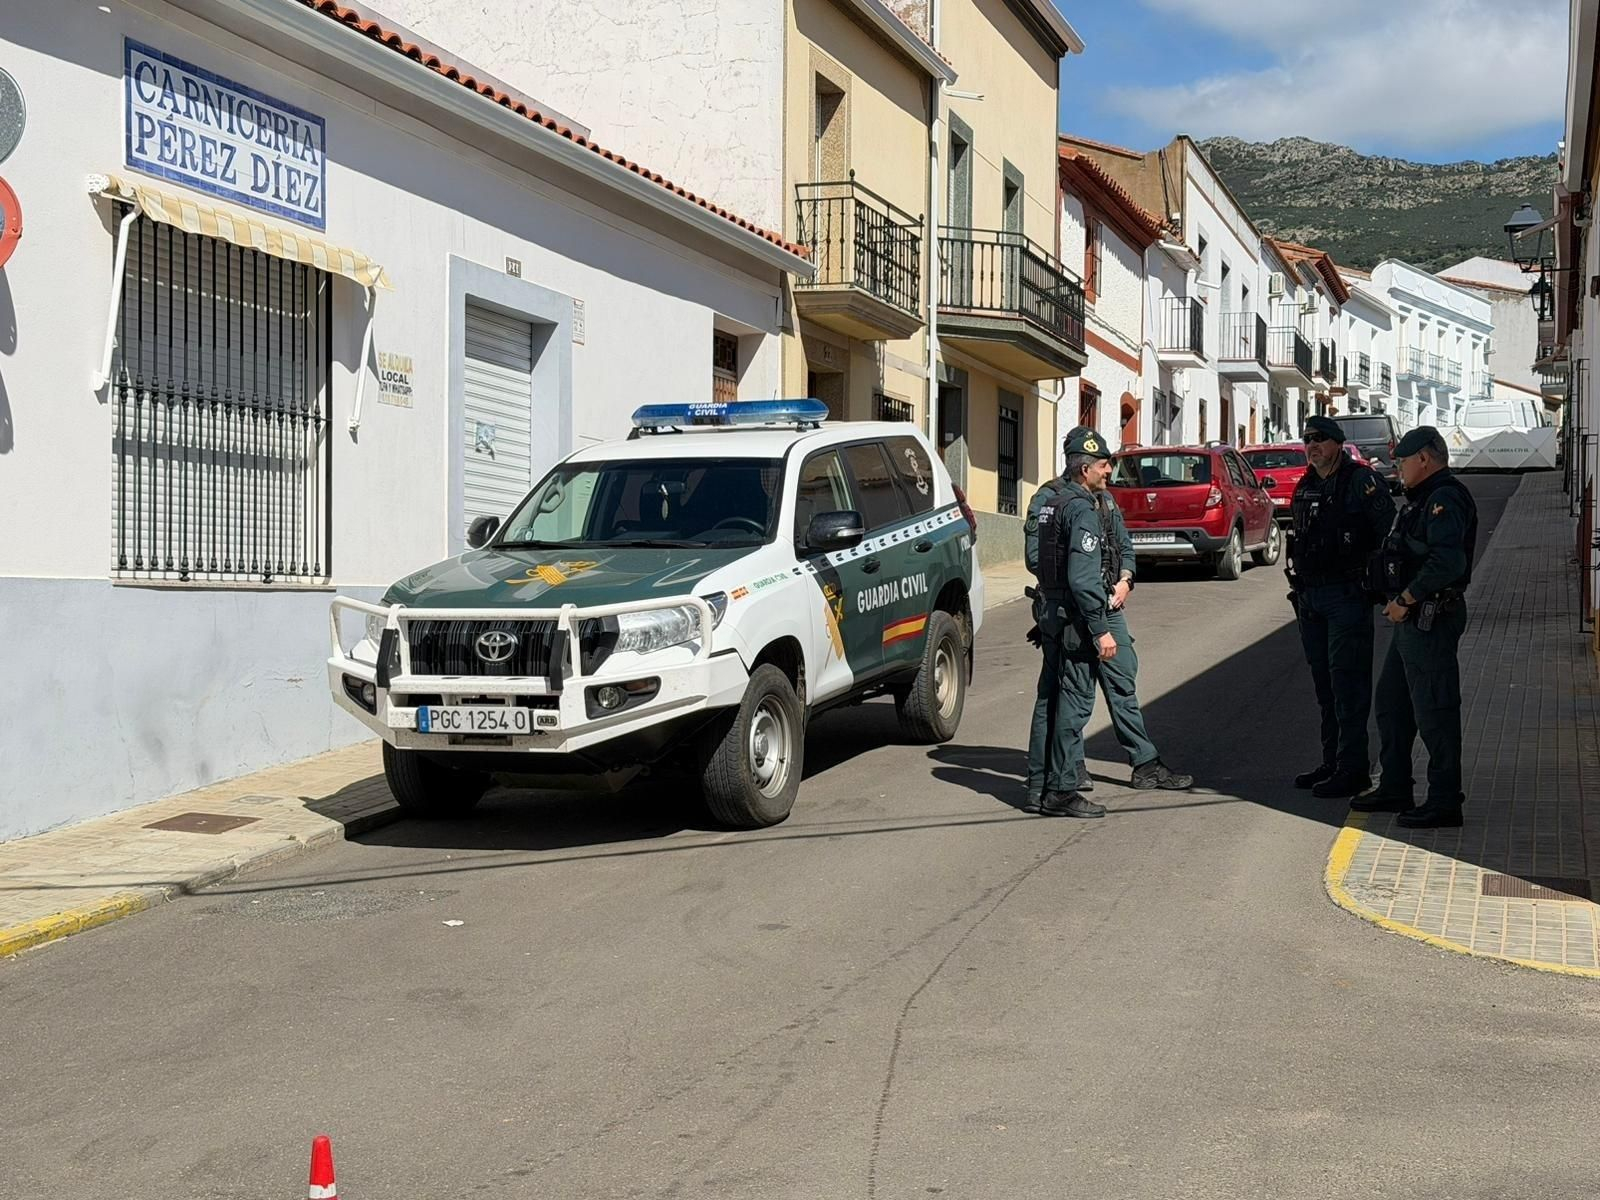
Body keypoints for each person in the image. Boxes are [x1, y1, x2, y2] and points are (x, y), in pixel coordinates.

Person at [1022, 430, 1192, 816]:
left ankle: (1144, 763)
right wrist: (1084, 596)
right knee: (1060, 695)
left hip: (1105, 606)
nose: (1110, 471)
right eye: (1102, 464)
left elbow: (1123, 546)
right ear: (1081, 464)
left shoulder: (1101, 498)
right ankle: (1052, 779)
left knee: (1121, 683)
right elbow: (1039, 559)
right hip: (1075, 610)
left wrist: (1125, 579)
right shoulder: (1051, 499)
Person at [1353, 426, 1478, 828]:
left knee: (1435, 712)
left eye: (1402, 461)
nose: (1397, 468)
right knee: (1392, 704)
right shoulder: (1421, 500)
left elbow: (1448, 563)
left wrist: (1405, 599)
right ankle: (1395, 785)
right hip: (1411, 619)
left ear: (1424, 458)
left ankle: (1444, 799)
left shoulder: (1444, 499)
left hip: (1429, 617)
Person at [1285, 414, 1396, 799]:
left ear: (1336, 443)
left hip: (1347, 595)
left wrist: (1380, 582)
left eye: (1319, 439)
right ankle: (1332, 760)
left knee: (1348, 684)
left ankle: (1354, 768)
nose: (1312, 446)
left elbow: (1388, 531)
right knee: (1325, 686)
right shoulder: (1308, 483)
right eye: (1307, 439)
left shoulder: (1360, 481)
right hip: (1311, 595)